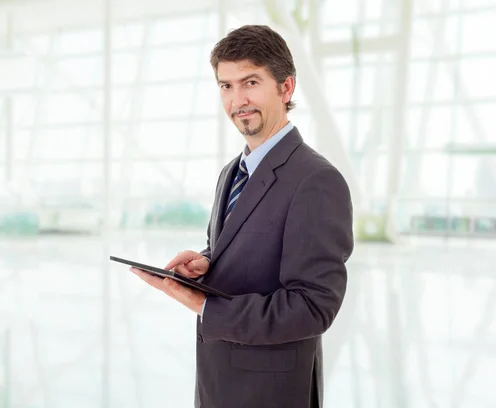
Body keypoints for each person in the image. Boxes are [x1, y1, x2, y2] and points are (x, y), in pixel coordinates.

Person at [130, 24, 354, 408]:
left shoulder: (317, 180)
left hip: (271, 394)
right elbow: (246, 249)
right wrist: (207, 263)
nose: (238, 100)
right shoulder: (232, 173)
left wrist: (204, 307)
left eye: (250, 82)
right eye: (226, 86)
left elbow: (313, 307)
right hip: (219, 385)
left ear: (286, 88)